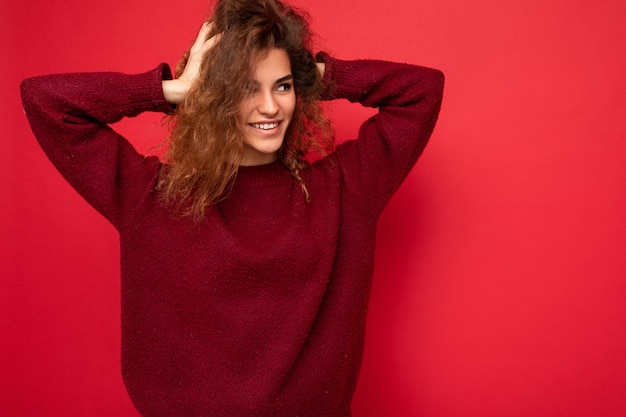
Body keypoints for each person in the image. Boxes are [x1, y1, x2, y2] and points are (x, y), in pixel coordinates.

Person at [20, 0, 444, 415]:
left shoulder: (345, 189)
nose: (270, 106)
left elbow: (422, 91)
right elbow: (46, 101)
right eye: (244, 88)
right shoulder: (153, 196)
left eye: (281, 86)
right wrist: (176, 88)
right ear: (213, 96)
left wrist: (311, 73)